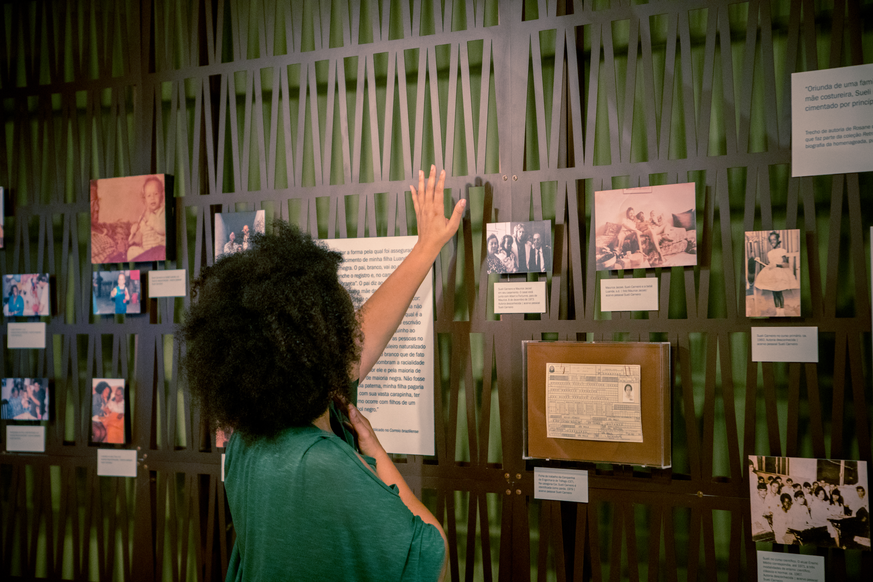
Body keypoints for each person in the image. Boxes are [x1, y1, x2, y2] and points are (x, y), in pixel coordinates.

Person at [179, 165, 463, 581]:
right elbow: (433, 558)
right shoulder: (322, 465)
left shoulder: (248, 440)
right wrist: (375, 452)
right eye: (339, 327)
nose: (350, 333)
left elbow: (362, 342)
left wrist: (426, 248)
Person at [754, 231, 797, 316]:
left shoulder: (782, 251)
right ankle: (778, 312)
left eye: (774, 239)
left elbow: (786, 264)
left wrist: (776, 265)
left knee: (779, 293)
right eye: (771, 240)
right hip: (772, 275)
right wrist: (760, 261)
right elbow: (769, 264)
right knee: (774, 293)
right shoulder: (769, 253)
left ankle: (782, 312)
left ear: (778, 240)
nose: (772, 241)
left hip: (780, 274)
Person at [127, 176, 167, 261]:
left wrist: (151, 218)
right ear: (145, 199)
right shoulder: (143, 217)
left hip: (158, 251)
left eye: (155, 194)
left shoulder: (163, 212)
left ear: (162, 196)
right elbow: (139, 239)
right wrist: (134, 232)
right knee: (131, 251)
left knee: (162, 251)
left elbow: (162, 229)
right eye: (149, 195)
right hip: (146, 253)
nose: (152, 197)